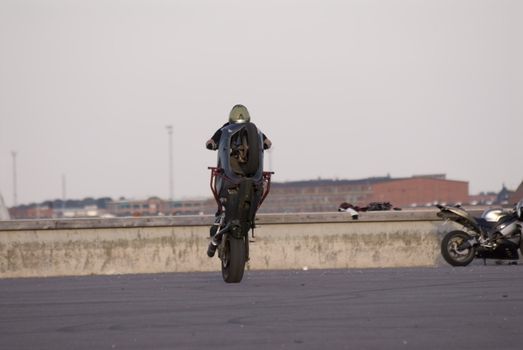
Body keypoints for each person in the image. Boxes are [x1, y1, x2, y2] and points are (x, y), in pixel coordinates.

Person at [205, 104, 272, 243]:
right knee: (222, 205)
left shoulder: (255, 130)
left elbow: (267, 141)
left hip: (252, 175)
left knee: (261, 187)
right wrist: (211, 143)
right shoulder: (224, 129)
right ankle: (220, 218)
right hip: (229, 173)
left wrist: (265, 144)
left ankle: (249, 215)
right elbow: (212, 140)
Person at [206, 104, 272, 151]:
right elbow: (215, 137)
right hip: (228, 154)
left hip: (251, 160)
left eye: (242, 115)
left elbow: (263, 137)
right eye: (236, 114)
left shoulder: (252, 128)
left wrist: (266, 143)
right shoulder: (226, 127)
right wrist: (211, 143)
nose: (240, 118)